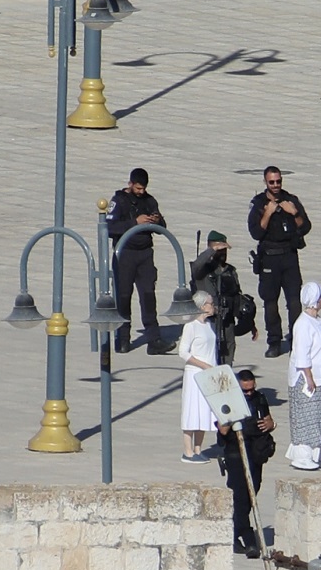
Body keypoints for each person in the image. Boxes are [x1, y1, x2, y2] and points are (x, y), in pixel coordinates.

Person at [106, 167, 176, 355]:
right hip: (125, 254)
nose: (141, 192)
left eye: (143, 188)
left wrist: (156, 220)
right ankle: (122, 339)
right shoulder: (119, 201)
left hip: (145, 254)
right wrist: (134, 223)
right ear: (130, 184)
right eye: (137, 188)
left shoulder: (149, 201)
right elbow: (109, 228)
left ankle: (154, 339)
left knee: (148, 296)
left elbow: (163, 227)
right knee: (123, 297)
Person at [247, 166, 313, 359]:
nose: (276, 185)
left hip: (289, 256)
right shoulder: (259, 204)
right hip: (269, 257)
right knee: (270, 302)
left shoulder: (291, 200)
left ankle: (296, 341)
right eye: (272, 182)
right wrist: (267, 213)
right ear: (265, 182)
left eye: (278, 181)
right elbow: (255, 232)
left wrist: (294, 213)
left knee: (294, 301)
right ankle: (274, 341)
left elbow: (306, 227)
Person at [216, 370, 275, 559]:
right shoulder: (227, 401)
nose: (249, 393)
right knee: (240, 497)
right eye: (245, 391)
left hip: (256, 454)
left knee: (252, 494)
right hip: (236, 455)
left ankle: (234, 534)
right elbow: (222, 430)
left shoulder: (259, 398)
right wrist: (232, 415)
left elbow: (268, 419)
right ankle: (248, 539)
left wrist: (271, 425)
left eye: (251, 389)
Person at [285, 282, 321, 470]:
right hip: (307, 379)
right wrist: (309, 378)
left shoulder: (318, 321)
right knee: (307, 418)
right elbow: (302, 354)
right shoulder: (303, 324)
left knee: (320, 417)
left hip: (320, 377)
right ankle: (302, 455)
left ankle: (318, 454)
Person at [191, 230, 253, 365]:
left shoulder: (230, 271)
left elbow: (237, 296)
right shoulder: (203, 271)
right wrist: (212, 250)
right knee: (210, 355)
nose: (222, 254)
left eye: (224, 251)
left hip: (227, 320)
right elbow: (195, 266)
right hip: (209, 321)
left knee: (228, 353)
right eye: (219, 250)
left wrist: (249, 322)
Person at [178, 291, 217, 464]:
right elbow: (183, 352)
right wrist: (203, 365)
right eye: (210, 303)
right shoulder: (191, 326)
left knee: (204, 411)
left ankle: (198, 449)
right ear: (202, 306)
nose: (213, 306)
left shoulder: (208, 325)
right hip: (195, 374)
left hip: (208, 374)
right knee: (192, 410)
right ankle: (187, 451)